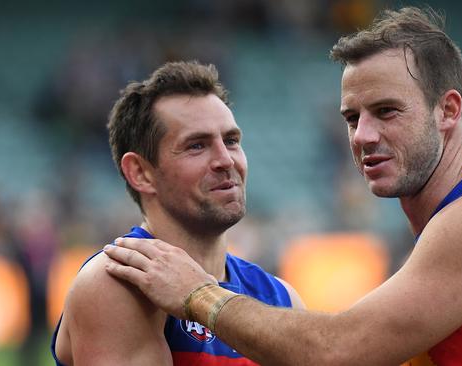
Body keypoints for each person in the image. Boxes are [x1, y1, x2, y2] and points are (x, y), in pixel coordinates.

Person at [103, 7, 462, 365]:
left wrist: (199, 295)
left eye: (387, 111)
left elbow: (339, 350)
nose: (363, 136)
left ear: (449, 111)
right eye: (352, 117)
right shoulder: (444, 233)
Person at [50, 61, 304, 365]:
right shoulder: (118, 284)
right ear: (140, 173)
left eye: (232, 141)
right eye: (197, 146)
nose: (226, 160)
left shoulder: (280, 295)